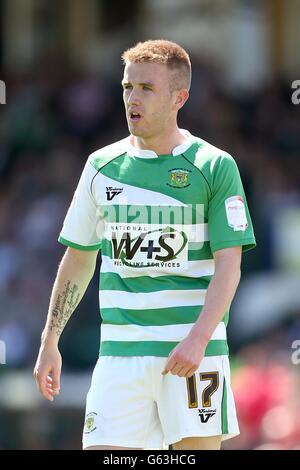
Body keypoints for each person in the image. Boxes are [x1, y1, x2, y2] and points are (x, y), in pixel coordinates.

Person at [34, 39, 256, 451]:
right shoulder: (101, 166)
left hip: (193, 355)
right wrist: (51, 340)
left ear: (179, 98)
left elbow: (230, 264)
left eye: (146, 89)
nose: (132, 99)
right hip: (119, 357)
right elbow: (79, 257)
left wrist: (199, 338)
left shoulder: (214, 165)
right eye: (126, 87)